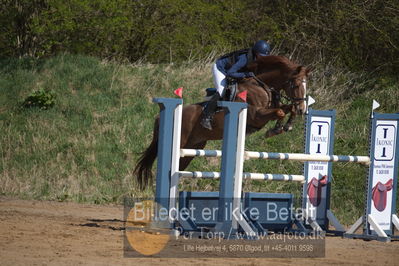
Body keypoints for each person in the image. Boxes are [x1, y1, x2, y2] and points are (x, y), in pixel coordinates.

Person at [201, 40, 271, 130]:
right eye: (261, 56)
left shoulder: (255, 58)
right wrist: (246, 74)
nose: (262, 58)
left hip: (231, 70)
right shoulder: (244, 58)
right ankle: (206, 116)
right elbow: (230, 73)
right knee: (222, 90)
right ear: (256, 52)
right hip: (221, 69)